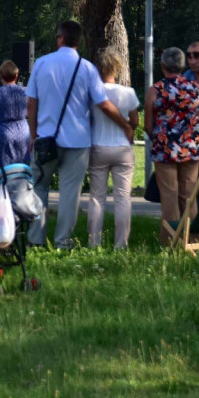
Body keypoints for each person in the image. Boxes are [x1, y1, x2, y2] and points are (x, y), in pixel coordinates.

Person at [26, 21, 133, 249]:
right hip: (77, 141)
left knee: (39, 188)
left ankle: (35, 239)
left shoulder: (42, 64)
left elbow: (31, 105)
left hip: (45, 139)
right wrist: (124, 124)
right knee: (70, 193)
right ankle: (62, 241)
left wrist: (33, 134)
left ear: (60, 38)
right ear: (79, 41)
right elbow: (103, 104)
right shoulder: (87, 68)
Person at [145, 47, 199, 243]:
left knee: (169, 196)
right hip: (192, 148)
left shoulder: (155, 90)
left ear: (162, 66)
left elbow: (148, 124)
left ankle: (170, 242)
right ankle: (193, 240)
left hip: (164, 149)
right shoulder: (195, 87)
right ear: (183, 65)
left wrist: (161, 140)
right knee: (189, 196)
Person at [87, 51, 139, 249]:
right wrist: (126, 126)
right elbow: (134, 121)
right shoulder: (128, 92)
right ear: (117, 67)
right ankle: (121, 243)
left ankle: (94, 242)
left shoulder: (93, 92)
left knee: (97, 197)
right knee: (122, 198)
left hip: (98, 146)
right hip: (123, 148)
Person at [0, 60, 31, 167]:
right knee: (23, 167)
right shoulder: (26, 91)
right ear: (16, 75)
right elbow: (31, 111)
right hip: (23, 133)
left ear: (1, 75)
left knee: (4, 169)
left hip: (2, 133)